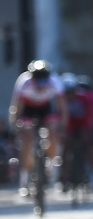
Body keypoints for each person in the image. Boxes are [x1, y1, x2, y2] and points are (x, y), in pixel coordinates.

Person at [9, 59, 67, 195]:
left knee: (53, 130)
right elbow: (17, 106)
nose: (40, 83)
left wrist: (62, 125)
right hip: (28, 109)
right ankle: (24, 178)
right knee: (27, 139)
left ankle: (51, 165)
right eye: (37, 79)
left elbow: (62, 108)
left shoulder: (55, 81)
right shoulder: (24, 82)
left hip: (45, 108)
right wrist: (15, 124)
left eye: (43, 79)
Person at [60, 72, 93, 191]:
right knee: (65, 147)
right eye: (66, 93)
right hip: (70, 125)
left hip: (83, 123)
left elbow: (91, 115)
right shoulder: (61, 100)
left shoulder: (84, 98)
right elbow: (60, 117)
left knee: (88, 144)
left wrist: (92, 131)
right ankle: (64, 177)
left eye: (71, 92)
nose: (69, 95)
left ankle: (91, 173)